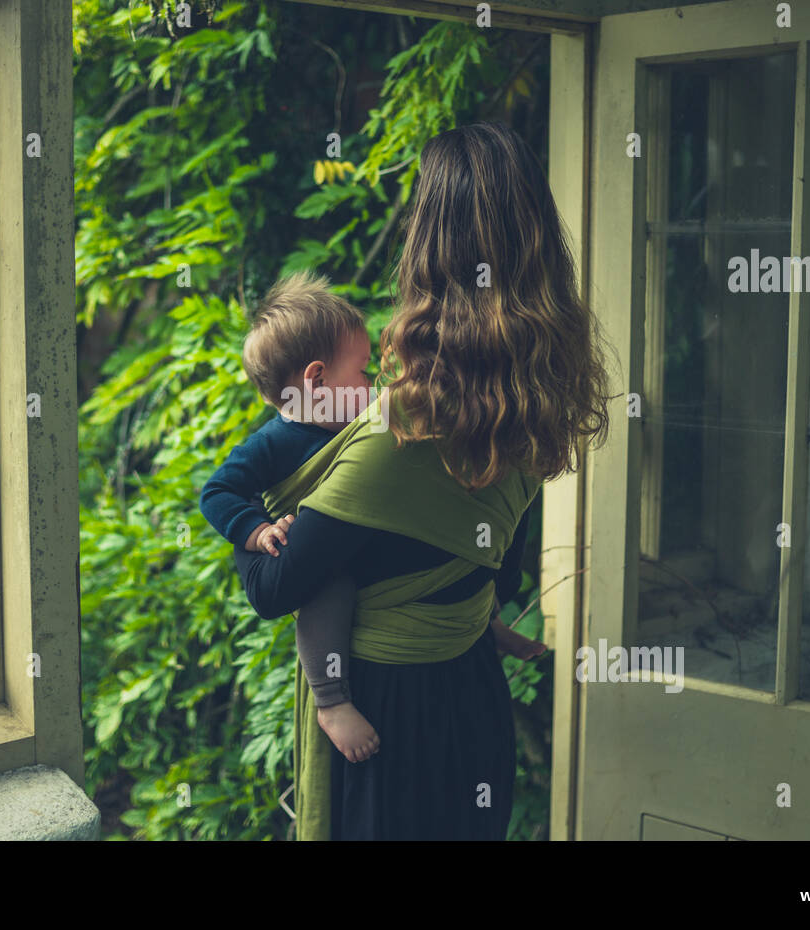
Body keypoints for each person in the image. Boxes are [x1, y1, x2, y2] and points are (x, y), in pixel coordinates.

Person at [233, 120, 611, 840]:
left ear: (427, 255)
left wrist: (254, 510)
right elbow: (492, 564)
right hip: (472, 701)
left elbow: (272, 589)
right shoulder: (535, 410)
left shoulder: (397, 437)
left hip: (388, 722)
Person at [200, 270, 546, 765]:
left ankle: (486, 624)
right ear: (317, 380)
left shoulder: (360, 424)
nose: (374, 382)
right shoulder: (271, 444)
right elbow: (218, 491)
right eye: (362, 372)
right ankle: (332, 701)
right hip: (321, 567)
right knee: (330, 592)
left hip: (382, 570)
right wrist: (256, 530)